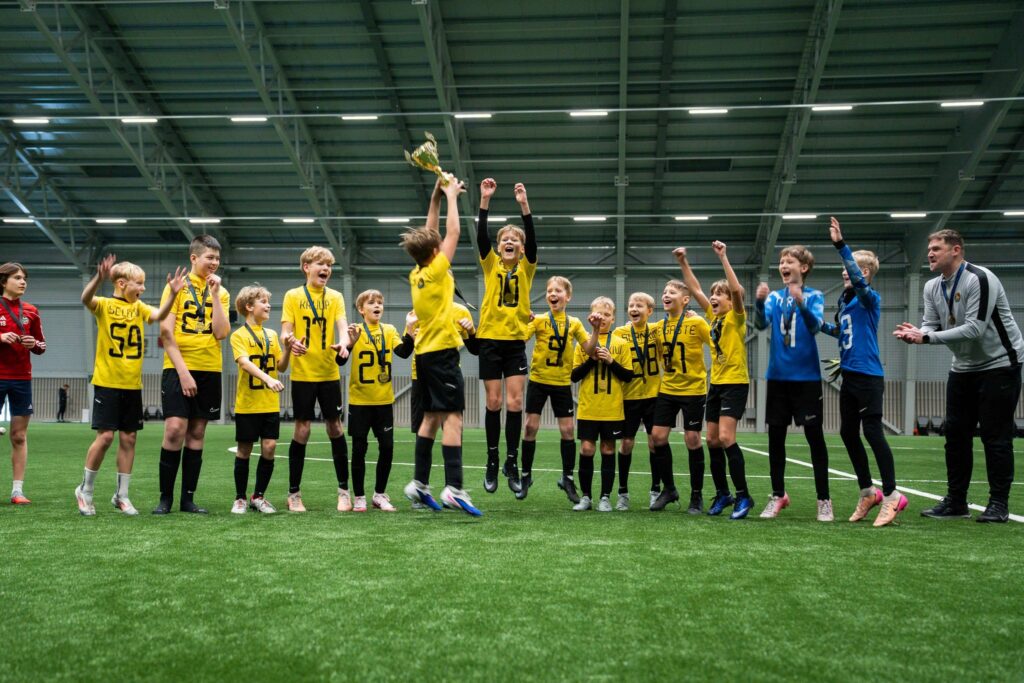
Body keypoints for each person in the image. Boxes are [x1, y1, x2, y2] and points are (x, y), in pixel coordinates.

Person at [895, 228, 1023, 523]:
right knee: (955, 435)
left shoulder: (979, 278)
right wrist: (917, 332)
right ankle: (956, 501)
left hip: (1000, 364)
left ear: (956, 250)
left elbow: (975, 328)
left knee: (995, 436)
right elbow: (930, 324)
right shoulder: (932, 286)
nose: (930, 253)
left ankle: (998, 503)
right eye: (929, 248)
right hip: (963, 367)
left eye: (936, 248)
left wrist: (927, 338)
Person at [75, 255, 185, 516]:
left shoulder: (139, 308)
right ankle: (85, 490)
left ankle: (121, 495)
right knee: (105, 437)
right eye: (139, 283)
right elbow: (86, 299)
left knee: (129, 438)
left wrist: (173, 295)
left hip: (132, 385)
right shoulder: (104, 305)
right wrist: (98, 278)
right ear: (122, 283)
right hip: (107, 382)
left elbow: (160, 314)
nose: (143, 288)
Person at [401, 174, 481, 516]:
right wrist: (451, 195)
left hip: (425, 356)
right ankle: (454, 488)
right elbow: (453, 233)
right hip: (442, 355)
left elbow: (432, 232)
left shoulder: (417, 273)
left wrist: (435, 194)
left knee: (431, 419)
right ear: (435, 253)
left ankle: (419, 484)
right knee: (454, 419)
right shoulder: (435, 272)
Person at [822, 218, 906, 526]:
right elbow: (841, 332)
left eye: (852, 267)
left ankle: (893, 495)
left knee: (871, 431)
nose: (845, 271)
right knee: (847, 432)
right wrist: (814, 322)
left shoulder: (870, 298)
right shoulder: (845, 302)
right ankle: (868, 491)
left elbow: (858, 281)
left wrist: (841, 246)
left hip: (869, 375)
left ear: (866, 272)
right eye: (845, 267)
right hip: (850, 376)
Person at [676, 243, 755, 520]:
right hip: (717, 384)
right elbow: (695, 289)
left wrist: (723, 257)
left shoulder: (736, 317)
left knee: (726, 437)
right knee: (711, 440)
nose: (714, 297)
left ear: (731, 302)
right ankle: (723, 493)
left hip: (735, 383)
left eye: (720, 294)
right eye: (714, 294)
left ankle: (744, 495)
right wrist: (683, 262)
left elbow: (736, 290)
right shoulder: (712, 317)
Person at [754, 245, 832, 521]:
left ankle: (824, 499)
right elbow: (760, 325)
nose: (784, 266)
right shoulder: (775, 297)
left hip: (806, 379)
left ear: (804, 267)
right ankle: (778, 495)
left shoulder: (815, 296)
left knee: (815, 438)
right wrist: (759, 303)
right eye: (782, 262)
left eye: (789, 262)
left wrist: (801, 304)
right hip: (777, 378)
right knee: (776, 439)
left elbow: (815, 326)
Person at [153, 235, 230, 515]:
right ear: (194, 258)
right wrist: (183, 373)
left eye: (217, 258)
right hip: (178, 368)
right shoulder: (176, 287)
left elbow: (221, 333)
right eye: (210, 257)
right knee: (175, 429)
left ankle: (188, 499)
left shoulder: (221, 292)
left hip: (210, 368)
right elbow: (166, 333)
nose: (214, 262)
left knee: (197, 432)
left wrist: (215, 296)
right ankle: (165, 498)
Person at [476, 178, 537, 495]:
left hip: (514, 344)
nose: (509, 241)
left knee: (515, 402)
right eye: (505, 239)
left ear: (521, 248)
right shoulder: (490, 265)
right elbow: (480, 236)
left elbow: (533, 238)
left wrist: (523, 204)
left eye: (515, 239)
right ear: (499, 247)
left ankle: (511, 462)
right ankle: (491, 459)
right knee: (494, 401)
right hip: (489, 340)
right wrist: (485, 200)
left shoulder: (527, 268)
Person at [280, 246, 351, 512]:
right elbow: (285, 332)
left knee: (335, 428)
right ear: (306, 267)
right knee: (302, 429)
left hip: (329, 373)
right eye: (321, 264)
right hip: (303, 374)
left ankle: (344, 492)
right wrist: (290, 341)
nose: (326, 269)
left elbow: (342, 327)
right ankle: (294, 494)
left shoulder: (335, 297)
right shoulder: (293, 296)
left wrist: (344, 343)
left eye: (329, 265)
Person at [338, 290, 414, 512]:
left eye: (380, 302)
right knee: (359, 449)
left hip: (383, 402)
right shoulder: (355, 331)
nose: (377, 305)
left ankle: (379, 495)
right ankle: (359, 496)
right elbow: (339, 361)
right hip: (360, 402)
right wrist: (349, 345)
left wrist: (410, 331)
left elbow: (403, 353)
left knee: (387, 448)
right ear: (361, 309)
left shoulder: (388, 330)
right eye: (371, 303)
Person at [522, 276, 596, 502]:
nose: (553, 294)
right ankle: (525, 476)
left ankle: (567, 478)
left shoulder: (574, 323)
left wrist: (595, 330)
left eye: (558, 290)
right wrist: (522, 319)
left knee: (568, 431)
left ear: (568, 296)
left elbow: (590, 350)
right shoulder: (539, 320)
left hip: (562, 383)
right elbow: (520, 338)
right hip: (538, 380)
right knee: (530, 427)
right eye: (549, 291)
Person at [649, 279, 711, 512]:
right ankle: (669, 489)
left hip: (693, 389)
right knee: (657, 437)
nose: (666, 295)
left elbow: (717, 342)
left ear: (685, 300)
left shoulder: (697, 322)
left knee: (692, 439)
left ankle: (696, 495)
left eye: (672, 292)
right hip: (668, 389)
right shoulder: (658, 327)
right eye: (665, 292)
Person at [229, 285, 291, 515]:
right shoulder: (239, 335)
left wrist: (288, 349)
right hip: (248, 404)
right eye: (263, 301)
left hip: (269, 403)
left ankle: (258, 497)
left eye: (268, 301)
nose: (268, 305)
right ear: (249, 306)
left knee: (270, 447)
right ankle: (240, 498)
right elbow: (244, 362)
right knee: (244, 449)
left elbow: (281, 367)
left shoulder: (272, 335)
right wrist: (267, 378)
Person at [570, 297, 633, 511]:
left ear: (613, 319)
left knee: (608, 449)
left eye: (607, 315)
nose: (603, 318)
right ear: (591, 316)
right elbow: (574, 376)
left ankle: (605, 497)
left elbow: (628, 376)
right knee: (587, 449)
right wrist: (592, 359)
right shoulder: (583, 343)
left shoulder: (621, 344)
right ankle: (586, 497)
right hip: (588, 408)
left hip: (612, 409)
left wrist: (610, 361)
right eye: (599, 314)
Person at [0, 262, 46, 505]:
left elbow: (42, 345)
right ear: (3, 281)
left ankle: (17, 491)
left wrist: (33, 344)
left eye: (24, 278)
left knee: (19, 436)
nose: (22, 282)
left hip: (21, 378)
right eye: (17, 277)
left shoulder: (31, 311)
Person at [611, 292, 662, 511]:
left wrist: (689, 315)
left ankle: (655, 490)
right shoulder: (619, 333)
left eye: (639, 305)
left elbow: (674, 326)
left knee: (654, 443)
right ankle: (622, 492)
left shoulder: (657, 330)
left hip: (653, 395)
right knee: (626, 443)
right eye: (631, 305)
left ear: (650, 311)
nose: (634, 308)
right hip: (629, 396)